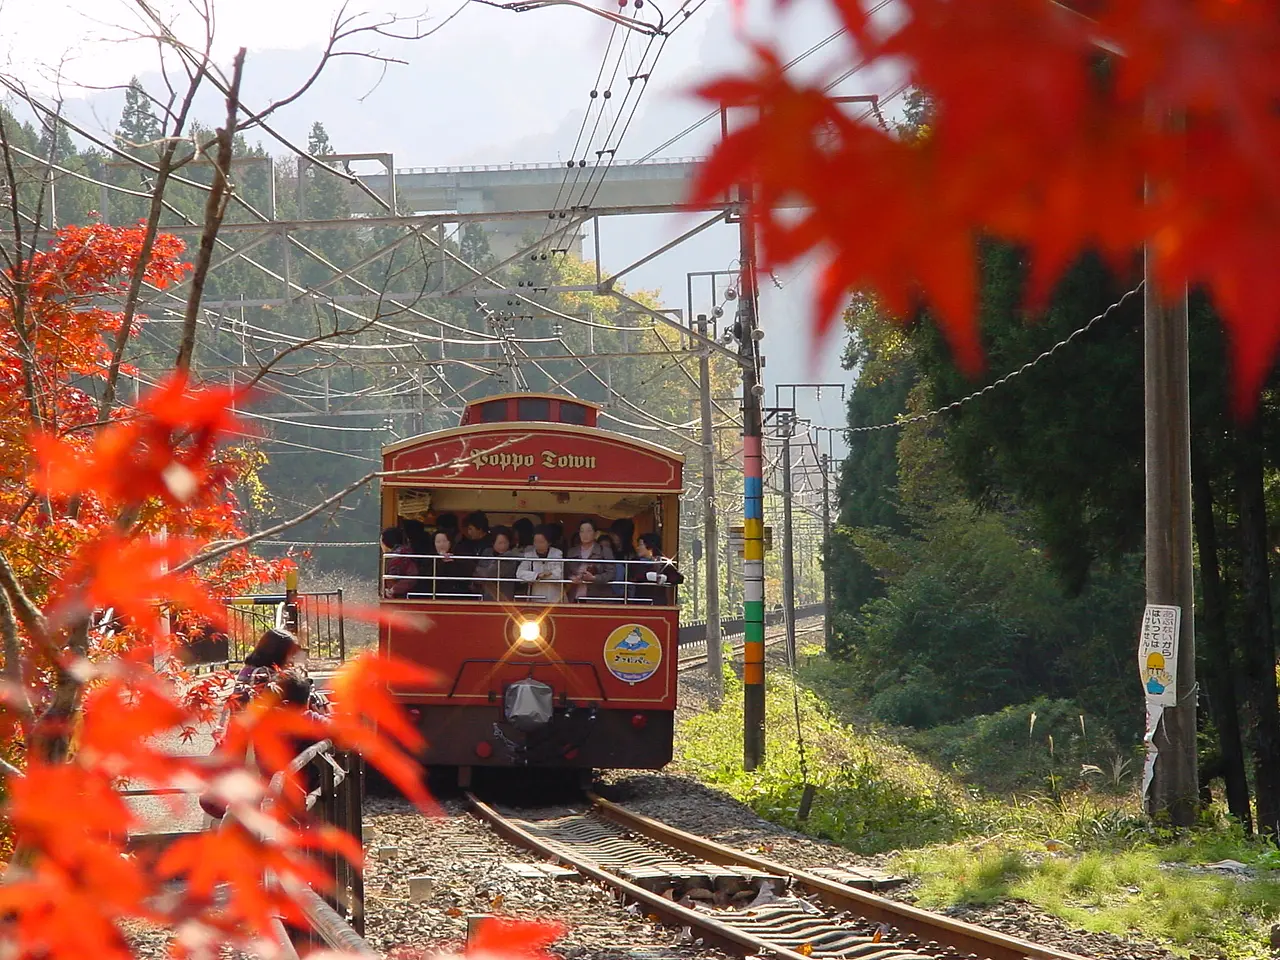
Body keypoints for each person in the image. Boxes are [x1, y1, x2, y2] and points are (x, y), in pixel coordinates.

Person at [564, 518, 614, 601]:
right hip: (575, 596)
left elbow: (611, 573)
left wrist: (594, 578)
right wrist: (572, 578)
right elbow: (566, 572)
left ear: (596, 534)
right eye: (582, 531)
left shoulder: (604, 551)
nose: (585, 534)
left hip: (597, 597)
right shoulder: (572, 551)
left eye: (589, 531)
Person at [628, 533, 686, 604]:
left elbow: (679, 578)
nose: (637, 548)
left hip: (658, 602)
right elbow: (633, 575)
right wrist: (649, 576)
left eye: (640, 545)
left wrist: (666, 578)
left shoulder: (663, 562)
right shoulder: (635, 562)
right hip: (640, 601)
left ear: (649, 546)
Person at [517, 525, 565, 603]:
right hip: (535, 596)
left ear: (549, 542)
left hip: (554, 597)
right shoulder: (529, 555)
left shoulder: (557, 553)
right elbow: (520, 573)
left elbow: (558, 574)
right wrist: (537, 575)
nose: (538, 544)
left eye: (541, 542)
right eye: (536, 541)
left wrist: (545, 576)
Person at [475, 525, 520, 601]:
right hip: (486, 598)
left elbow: (490, 574)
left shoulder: (510, 556)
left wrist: (479, 570)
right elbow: (476, 577)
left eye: (505, 543)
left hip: (504, 599)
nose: (503, 546)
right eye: (500, 543)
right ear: (493, 542)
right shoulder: (487, 552)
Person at [429, 529, 472, 597]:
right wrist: (440, 561)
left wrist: (452, 562)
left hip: (457, 595)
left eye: (445, 541)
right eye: (438, 542)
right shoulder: (428, 559)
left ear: (450, 543)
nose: (441, 544)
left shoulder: (459, 556)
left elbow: (465, 577)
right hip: (435, 595)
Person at [381, 527, 419, 599]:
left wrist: (393, 590)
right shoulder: (401, 555)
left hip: (405, 599)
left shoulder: (402, 556)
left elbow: (411, 577)